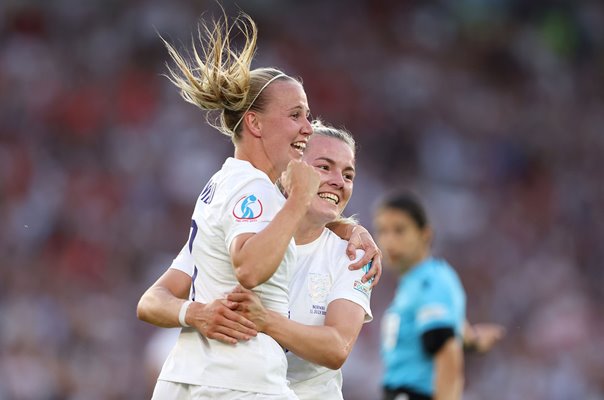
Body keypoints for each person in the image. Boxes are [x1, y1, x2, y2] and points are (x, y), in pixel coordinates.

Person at [136, 12, 380, 400]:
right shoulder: (256, 190)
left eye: (347, 174)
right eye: (296, 115)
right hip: (237, 382)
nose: (306, 127)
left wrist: (345, 225)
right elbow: (248, 268)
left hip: (195, 379)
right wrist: (299, 199)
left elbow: (337, 348)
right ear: (255, 123)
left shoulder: (227, 185)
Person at [228, 121, 373, 400]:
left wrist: (265, 320)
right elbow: (158, 299)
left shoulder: (356, 255)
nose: (338, 181)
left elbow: (337, 348)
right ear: (290, 168)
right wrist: (193, 314)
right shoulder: (242, 231)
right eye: (324, 166)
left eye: (348, 175)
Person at [374, 192, 504, 400]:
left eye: (399, 230)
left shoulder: (431, 282)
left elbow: (446, 352)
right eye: (383, 231)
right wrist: (474, 341)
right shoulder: (414, 283)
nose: (389, 241)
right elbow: (447, 327)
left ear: (425, 234)